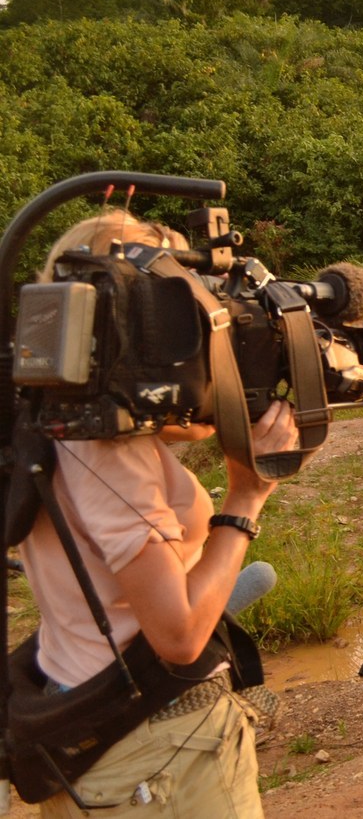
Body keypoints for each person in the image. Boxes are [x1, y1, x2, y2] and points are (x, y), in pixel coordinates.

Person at [16, 209, 312, 817]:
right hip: (158, 751)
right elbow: (177, 636)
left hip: (89, 725)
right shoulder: (109, 452)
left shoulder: (53, 407)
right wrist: (246, 497)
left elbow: (178, 427)